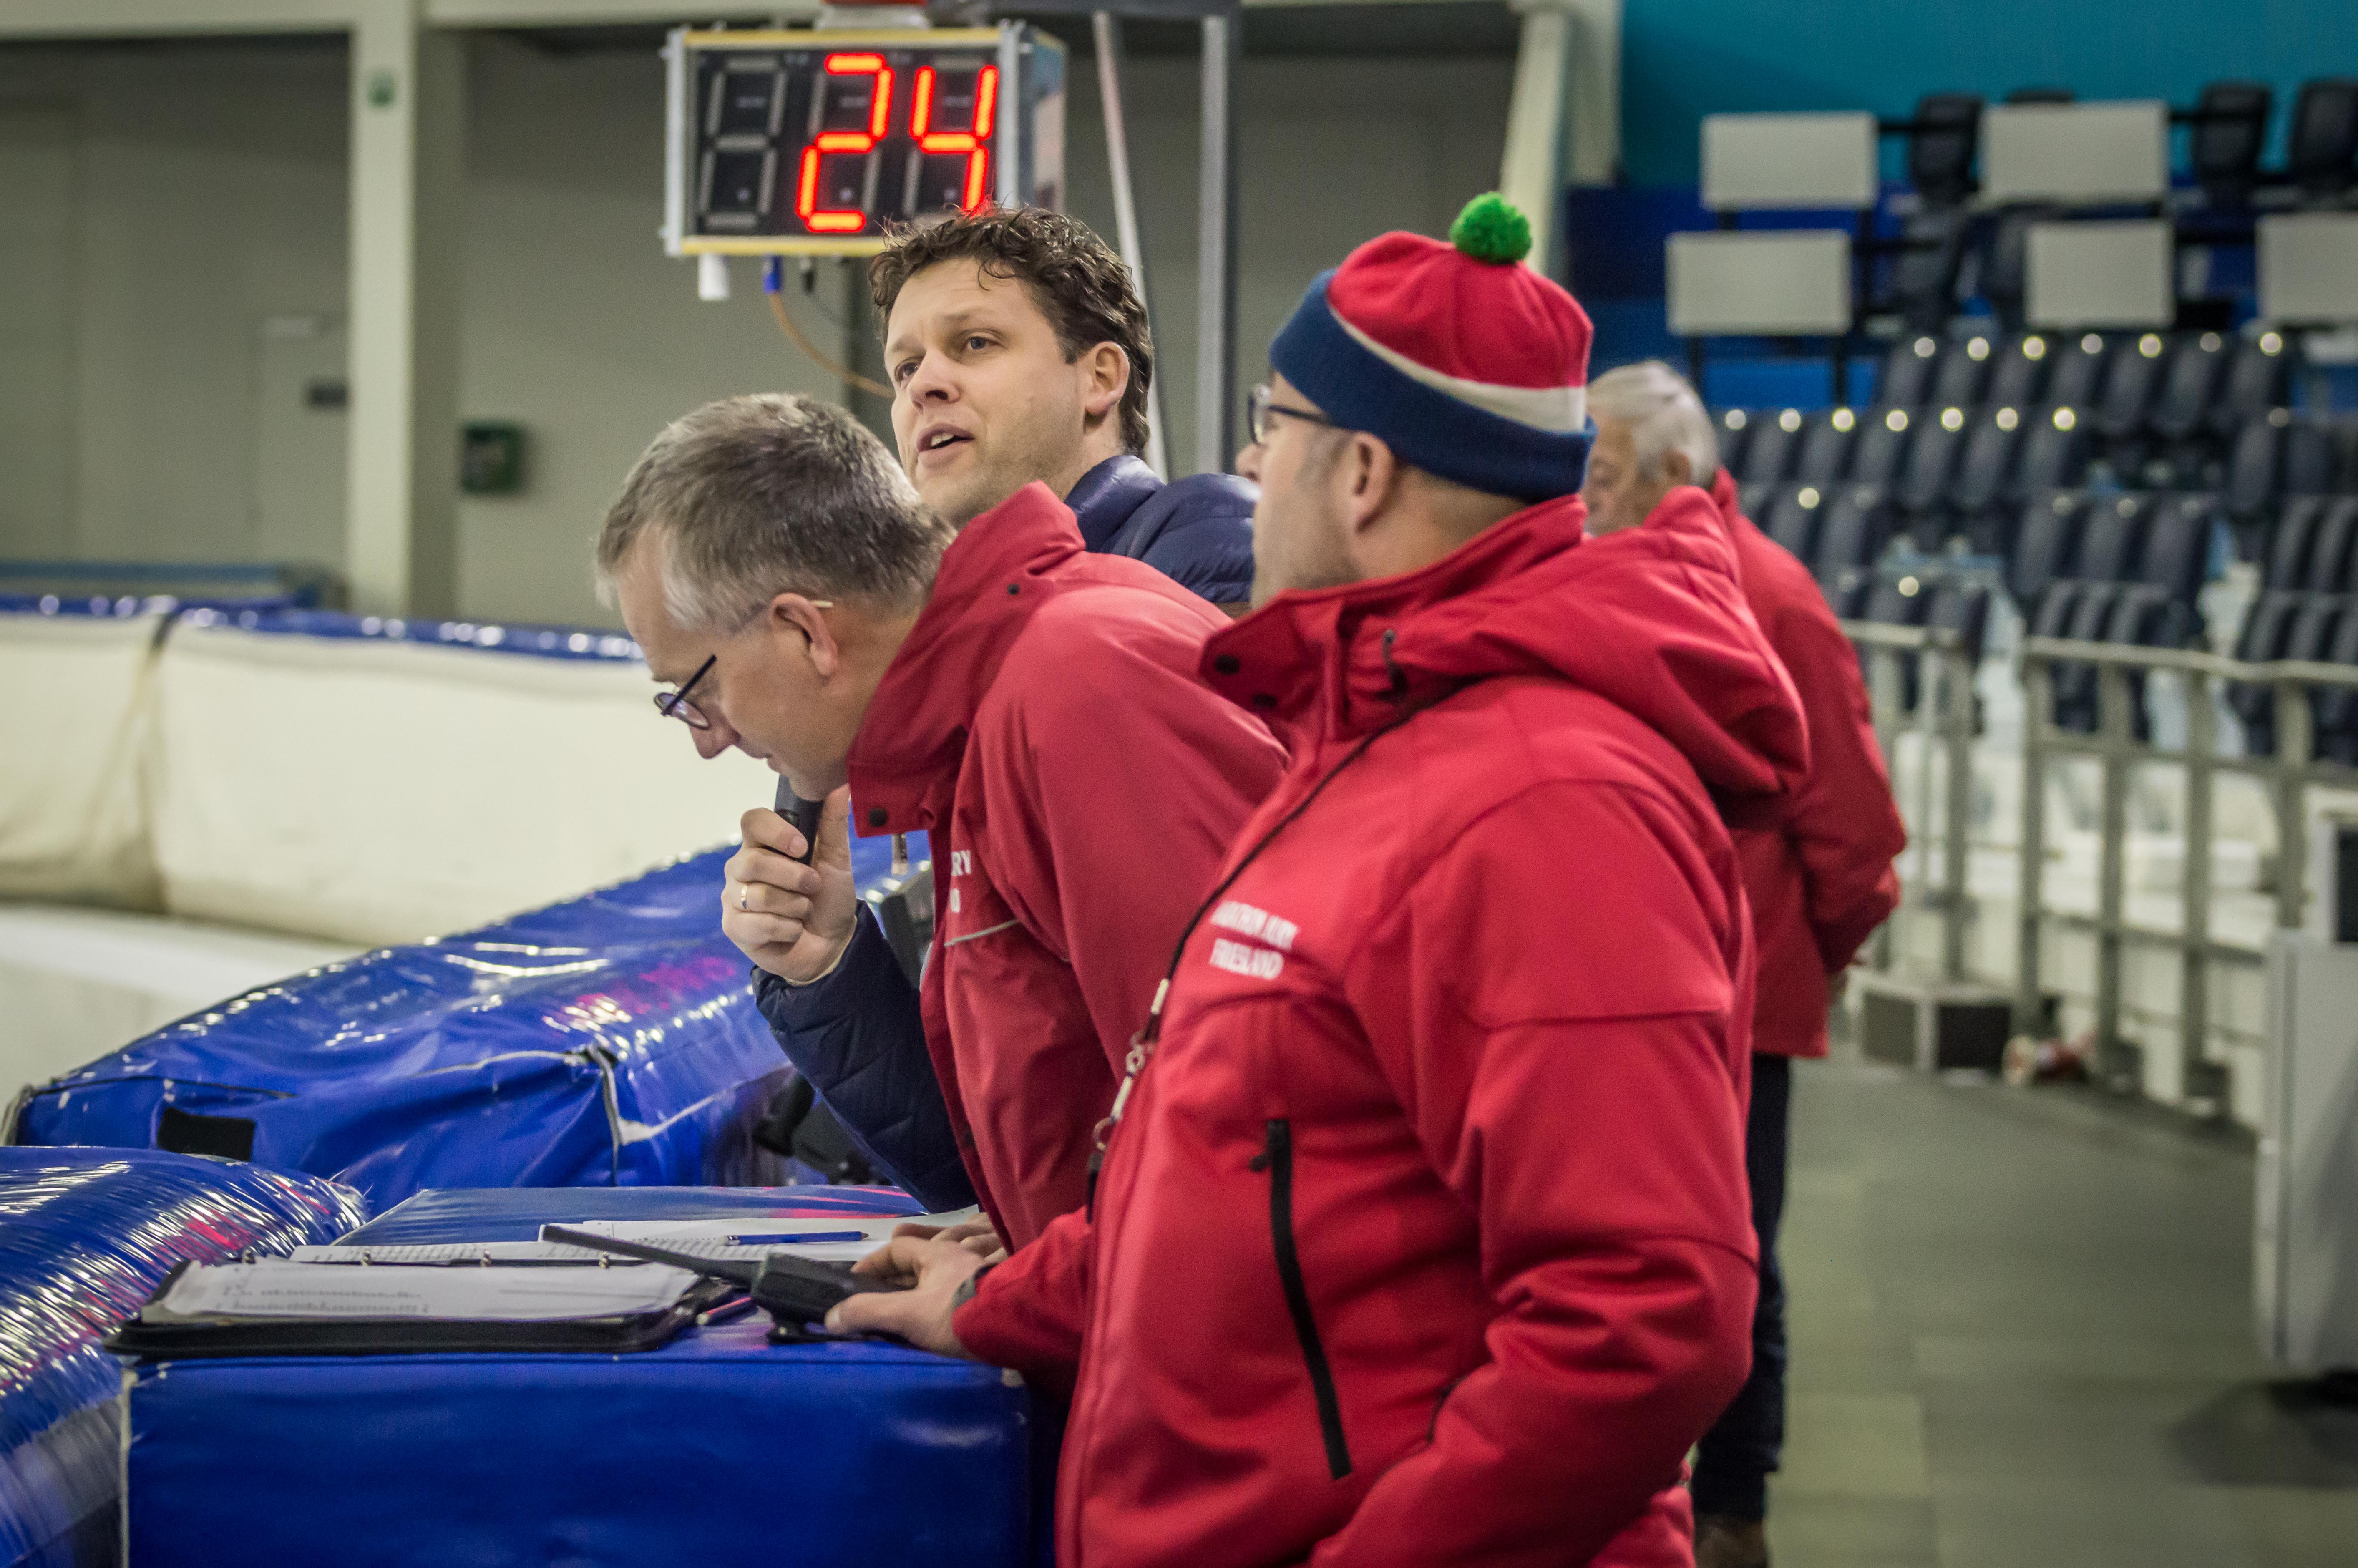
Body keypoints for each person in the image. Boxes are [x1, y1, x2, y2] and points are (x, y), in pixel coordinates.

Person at [832, 195, 1810, 1568]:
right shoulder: (1360, 755)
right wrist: (1002, 1299)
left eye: (1272, 426)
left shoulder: (1546, 799)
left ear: (1358, 472)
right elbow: (1218, 1173)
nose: (1244, 461)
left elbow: (1641, 1317)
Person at [595, 394, 1285, 1243]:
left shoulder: (1078, 688)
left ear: (805, 632)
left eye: (694, 695)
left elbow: (1256, 1141)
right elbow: (1072, 1154)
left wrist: (1022, 1293)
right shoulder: (993, 713)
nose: (709, 741)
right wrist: (827, 969)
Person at [1582, 360, 1908, 1568]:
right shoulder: (1671, 578)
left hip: (1736, 991)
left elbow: (1855, 827)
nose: (1583, 500)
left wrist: (1792, 955)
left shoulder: (1768, 593)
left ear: (1672, 474)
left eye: (1601, 477)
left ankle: (1733, 1510)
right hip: (1693, 978)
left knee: (1734, 1258)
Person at [874, 205, 1256, 607]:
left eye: (976, 342)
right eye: (907, 368)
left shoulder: (1205, 534)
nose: (922, 386)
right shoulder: (927, 608)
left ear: (1100, 379)